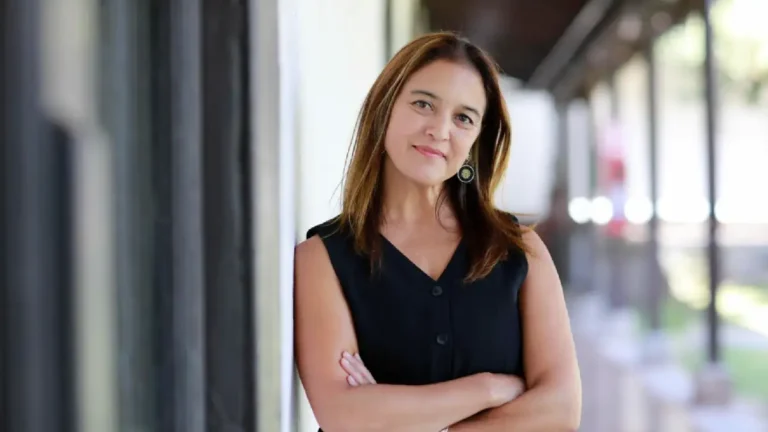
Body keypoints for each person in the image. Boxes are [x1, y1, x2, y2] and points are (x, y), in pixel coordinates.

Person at [294, 31, 581, 431]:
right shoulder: (321, 257)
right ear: (385, 109)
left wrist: (399, 418)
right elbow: (343, 415)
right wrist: (489, 389)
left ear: (476, 140)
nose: (440, 130)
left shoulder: (521, 251)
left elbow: (561, 411)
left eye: (463, 118)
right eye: (423, 104)